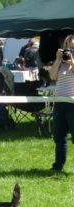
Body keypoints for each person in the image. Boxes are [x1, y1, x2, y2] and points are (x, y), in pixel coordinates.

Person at [49, 34, 74, 171]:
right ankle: (58, 166)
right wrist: (58, 60)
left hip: (73, 104)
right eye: (69, 48)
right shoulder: (61, 61)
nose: (71, 50)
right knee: (59, 137)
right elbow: (52, 76)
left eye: (73, 48)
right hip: (59, 103)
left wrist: (71, 62)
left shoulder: (71, 62)